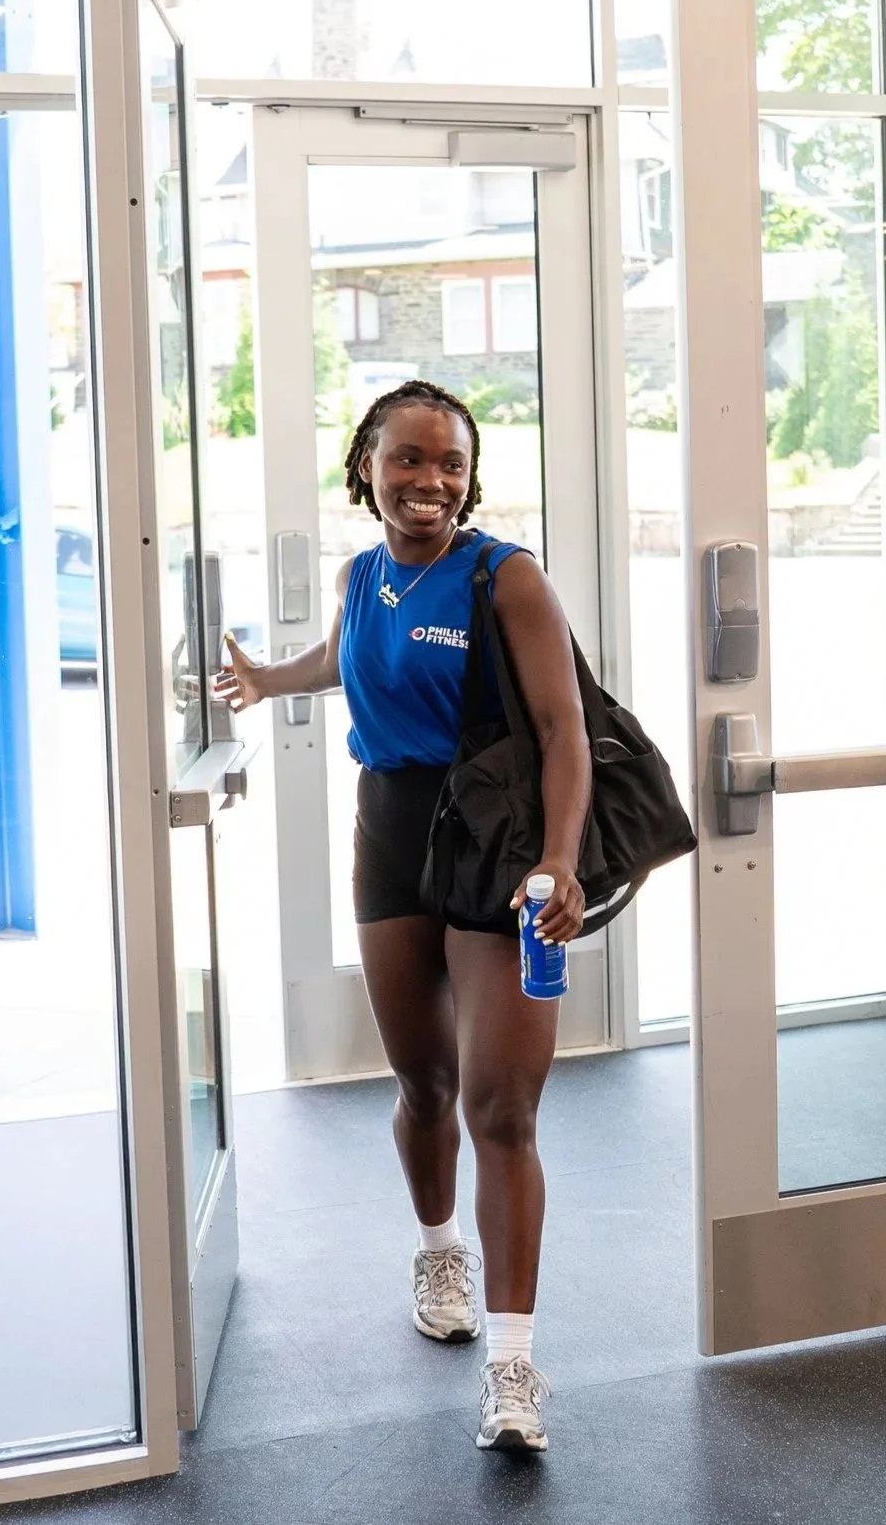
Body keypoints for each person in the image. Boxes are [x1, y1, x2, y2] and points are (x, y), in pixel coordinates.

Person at [216, 378, 590, 1455]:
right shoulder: (366, 573)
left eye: (449, 464)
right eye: (408, 460)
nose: (430, 481)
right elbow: (348, 657)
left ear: (470, 478)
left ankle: (513, 1366)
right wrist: (269, 677)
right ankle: (439, 1252)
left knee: (500, 1106)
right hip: (386, 832)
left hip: (494, 849)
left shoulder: (505, 577)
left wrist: (558, 861)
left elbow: (562, 729)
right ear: (366, 467)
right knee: (421, 1082)